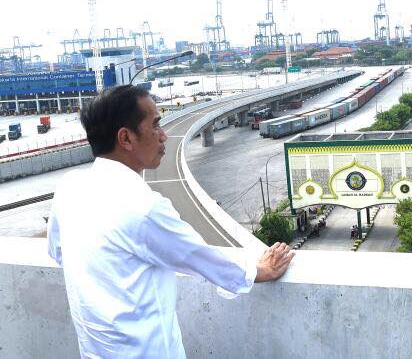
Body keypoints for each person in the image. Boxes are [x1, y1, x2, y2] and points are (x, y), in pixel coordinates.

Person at [47, 85, 294, 358]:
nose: (164, 136)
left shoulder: (69, 188)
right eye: (156, 125)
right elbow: (201, 258)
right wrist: (261, 270)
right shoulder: (143, 207)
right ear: (126, 138)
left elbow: (59, 253)